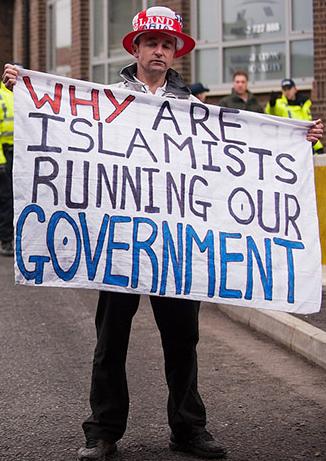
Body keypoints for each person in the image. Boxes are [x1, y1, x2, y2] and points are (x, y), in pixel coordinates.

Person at [2, 7, 324, 461]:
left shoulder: (192, 109)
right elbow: (65, 127)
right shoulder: (106, 98)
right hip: (119, 245)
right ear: (135, 48)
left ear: (175, 54)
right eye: (151, 42)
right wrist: (28, 91)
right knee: (111, 339)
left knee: (182, 341)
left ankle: (188, 430)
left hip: (175, 246)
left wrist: (292, 138)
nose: (159, 50)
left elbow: (238, 152)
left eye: (167, 44)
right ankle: (102, 432)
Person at [265, 78, 324, 154]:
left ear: (295, 89)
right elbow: (269, 113)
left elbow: (309, 127)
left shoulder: (304, 105)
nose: (287, 91)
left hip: (305, 143)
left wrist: (318, 146)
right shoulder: (279, 104)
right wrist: (271, 105)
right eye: (284, 89)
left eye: (289, 88)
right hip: (290, 145)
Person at [0, 80, 14, 256]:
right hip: (3, 153)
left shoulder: (10, 94)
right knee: (6, 197)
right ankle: (5, 240)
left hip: (13, 152)